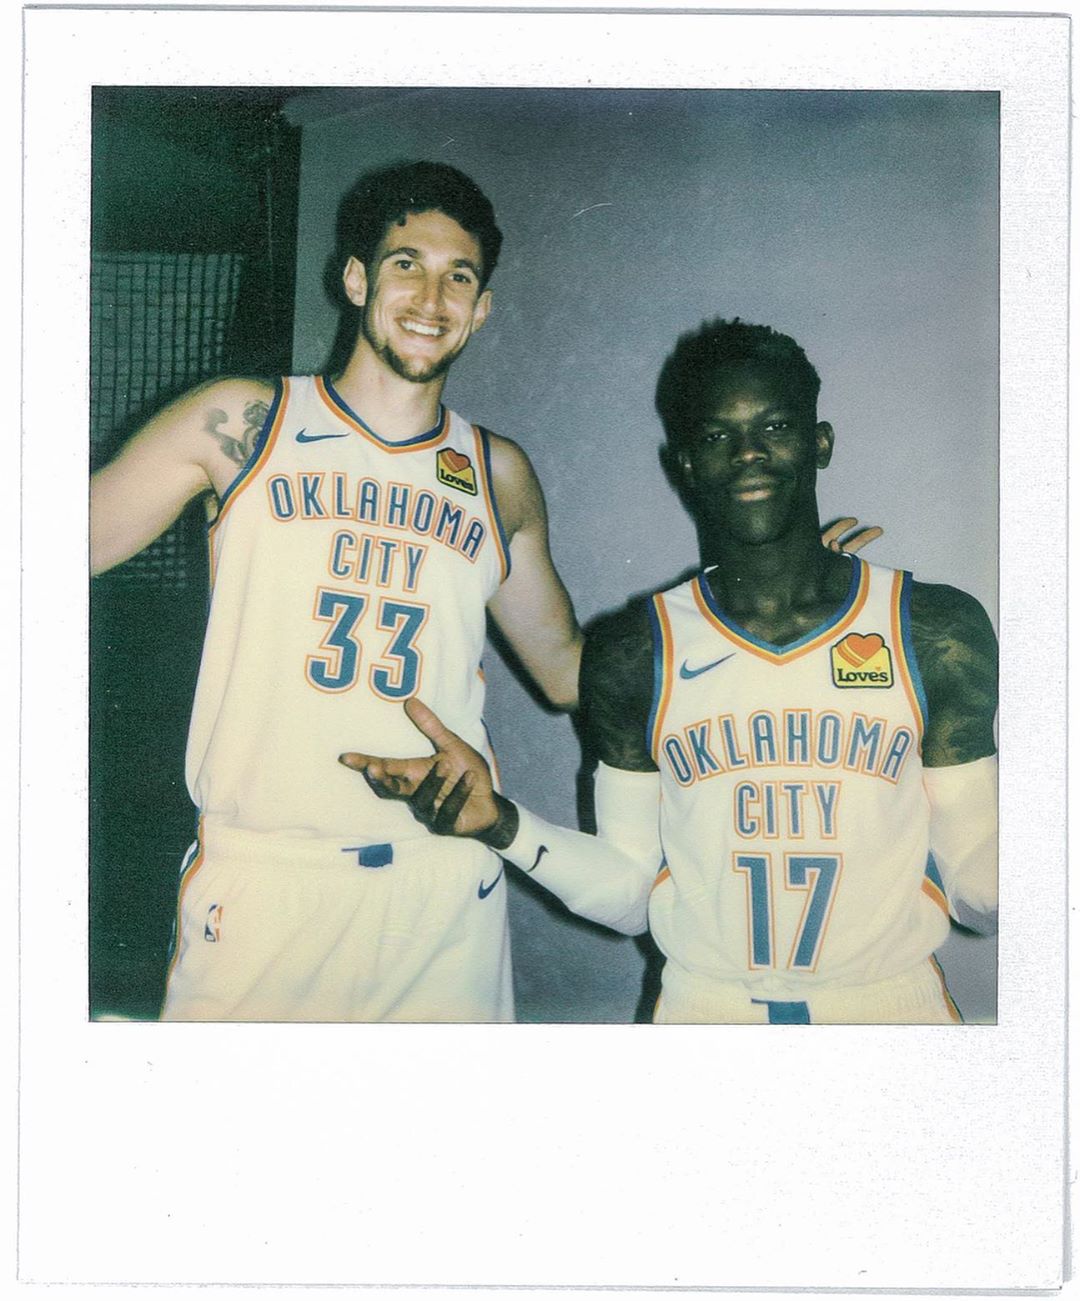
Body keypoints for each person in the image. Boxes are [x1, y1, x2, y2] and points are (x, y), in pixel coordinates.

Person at [343, 318, 998, 1025]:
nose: (749, 454)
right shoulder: (636, 651)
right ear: (684, 464)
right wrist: (502, 824)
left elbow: (977, 887)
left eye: (776, 427)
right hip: (701, 1014)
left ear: (820, 442)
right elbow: (631, 893)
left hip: (894, 1013)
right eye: (717, 436)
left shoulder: (933, 629)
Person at [90, 160, 584, 1022]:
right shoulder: (245, 422)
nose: (430, 297)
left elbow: (567, 671)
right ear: (356, 280)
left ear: (482, 307)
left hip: (442, 883)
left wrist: (767, 588)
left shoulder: (497, 472)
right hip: (267, 878)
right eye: (406, 264)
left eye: (459, 276)